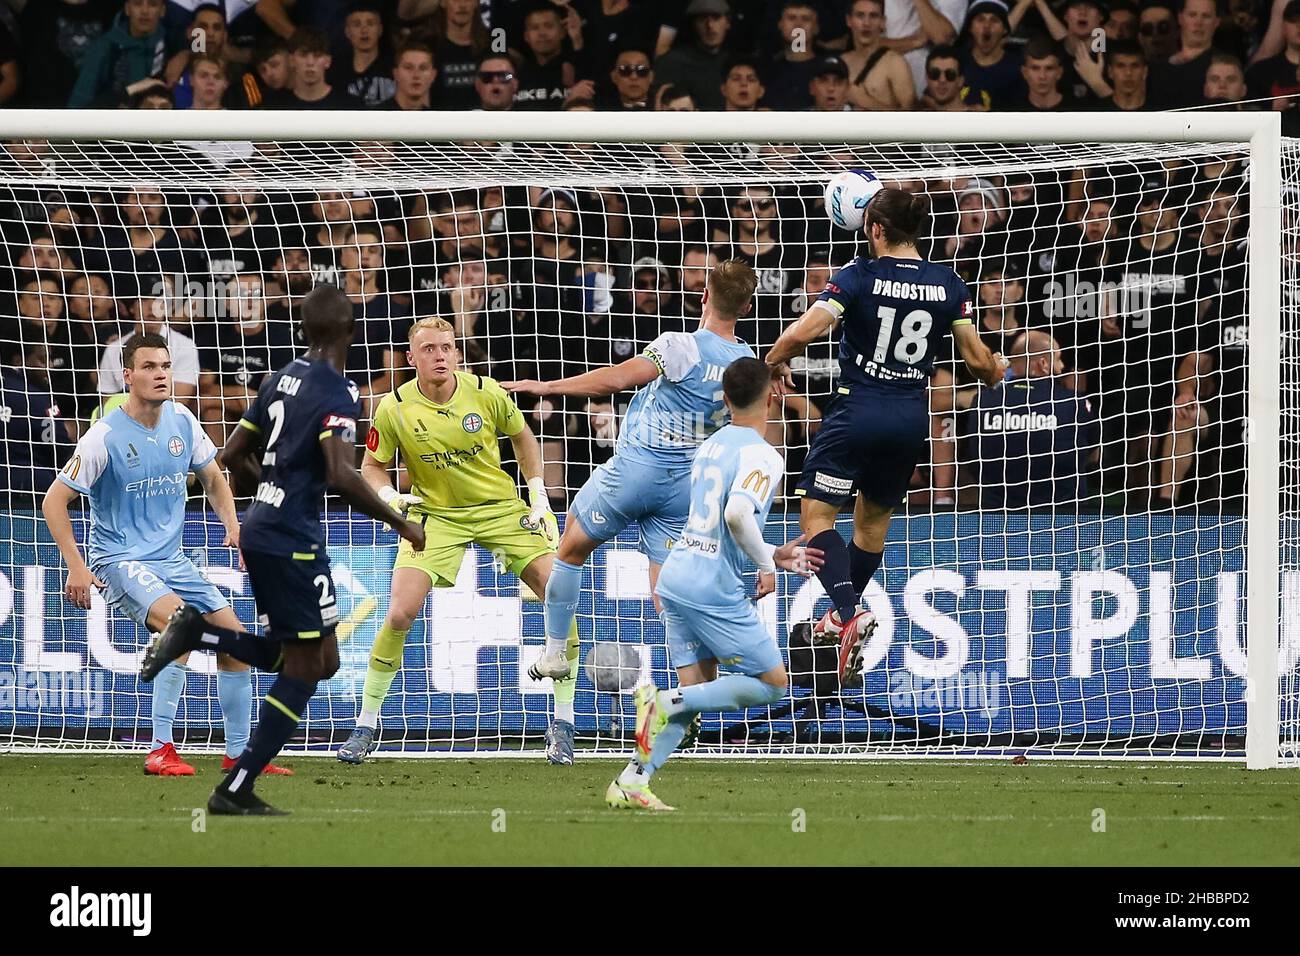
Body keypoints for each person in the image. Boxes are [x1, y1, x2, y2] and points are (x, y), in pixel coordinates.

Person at [140, 284, 425, 815]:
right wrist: (400, 522)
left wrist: (269, 492)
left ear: (304, 328)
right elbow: (342, 474)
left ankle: (196, 631)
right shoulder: (339, 393)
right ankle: (235, 789)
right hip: (293, 539)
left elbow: (230, 453)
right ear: (350, 330)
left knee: (323, 659)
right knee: (303, 667)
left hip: (263, 529)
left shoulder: (279, 378)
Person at [764, 188, 1004, 683]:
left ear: (874, 229)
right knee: (870, 526)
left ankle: (850, 612)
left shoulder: (858, 276)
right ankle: (837, 617)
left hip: (859, 408)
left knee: (817, 515)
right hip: (911, 417)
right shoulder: (948, 283)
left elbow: (804, 331)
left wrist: (773, 360)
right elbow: (978, 362)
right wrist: (997, 370)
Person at [502, 261, 759, 701]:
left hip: (637, 470)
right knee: (669, 599)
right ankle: (691, 693)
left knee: (571, 547)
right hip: (689, 490)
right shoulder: (748, 361)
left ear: (703, 296)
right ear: (749, 306)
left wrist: (545, 386)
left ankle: (555, 651)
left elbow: (618, 379)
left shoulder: (681, 346)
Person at [335, 317, 582, 764]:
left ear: (457, 353)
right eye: (428, 349)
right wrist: (391, 496)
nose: (440, 356)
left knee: (557, 591)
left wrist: (539, 495)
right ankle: (366, 725)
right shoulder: (393, 408)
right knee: (399, 612)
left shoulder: (487, 392)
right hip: (436, 518)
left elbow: (524, 440)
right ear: (411, 358)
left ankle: (563, 724)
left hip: (500, 511)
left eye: (446, 347)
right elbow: (372, 467)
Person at [42, 332, 289, 778]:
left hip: (172, 560)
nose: (160, 375)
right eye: (150, 367)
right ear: (128, 375)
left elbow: (215, 479)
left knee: (234, 641)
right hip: (118, 560)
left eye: (165, 366)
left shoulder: (182, 420)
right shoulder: (104, 437)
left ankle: (239, 755)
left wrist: (235, 527)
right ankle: (160, 750)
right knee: (182, 627)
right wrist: (76, 566)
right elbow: (54, 501)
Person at [606, 358, 823, 811]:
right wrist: (766, 566)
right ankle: (660, 700)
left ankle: (632, 779)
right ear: (773, 397)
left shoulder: (710, 446)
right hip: (710, 586)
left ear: (724, 399)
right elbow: (737, 515)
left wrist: (774, 555)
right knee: (772, 683)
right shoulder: (763, 454)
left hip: (676, 575)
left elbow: (719, 524)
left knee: (696, 697)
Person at [966, 330, 1100, 509]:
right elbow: (1093, 454)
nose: (1061, 366)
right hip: (1064, 521)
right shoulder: (1074, 403)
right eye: (1058, 359)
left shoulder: (983, 401)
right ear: (1043, 363)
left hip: (998, 520)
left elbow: (975, 459)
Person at [68, 0, 167, 107]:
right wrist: (128, 92)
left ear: (162, 10)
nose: (144, 11)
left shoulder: (172, 45)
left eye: (153, 5)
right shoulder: (104, 47)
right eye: (137, 4)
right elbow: (77, 108)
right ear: (127, 9)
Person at [842, 0, 916, 110]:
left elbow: (912, 119)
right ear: (849, 20)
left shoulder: (895, 63)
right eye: (860, 15)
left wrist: (867, 102)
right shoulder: (842, 62)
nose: (866, 23)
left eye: (873, 16)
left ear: (883, 22)